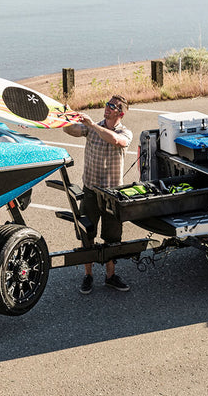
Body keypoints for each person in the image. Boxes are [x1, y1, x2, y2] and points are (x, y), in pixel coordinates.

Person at [63, 94, 132, 294]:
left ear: (121, 113)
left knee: (112, 238)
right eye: (107, 104)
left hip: (112, 194)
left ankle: (110, 276)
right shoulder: (91, 128)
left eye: (113, 106)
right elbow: (71, 130)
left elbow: (116, 141)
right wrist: (65, 117)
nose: (107, 108)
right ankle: (88, 275)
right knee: (87, 235)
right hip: (91, 191)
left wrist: (93, 125)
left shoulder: (125, 132)